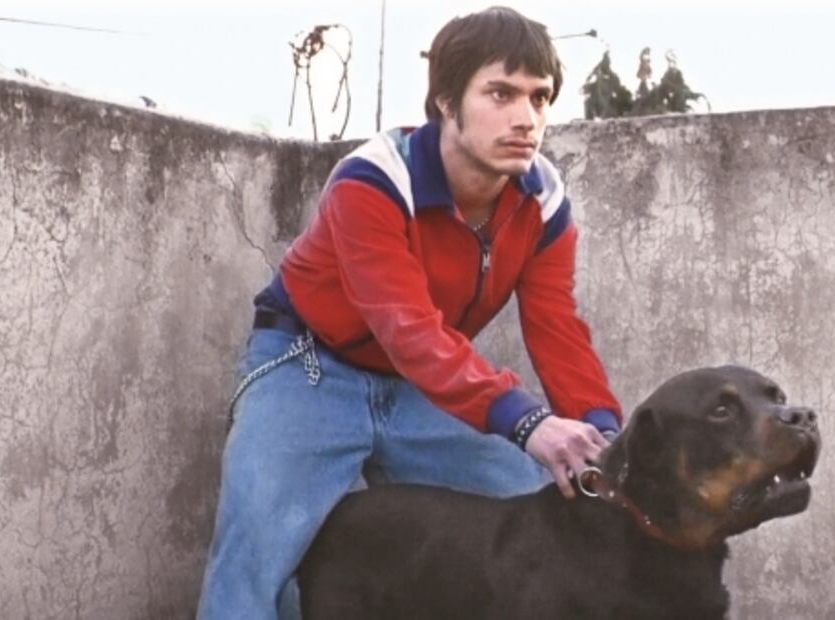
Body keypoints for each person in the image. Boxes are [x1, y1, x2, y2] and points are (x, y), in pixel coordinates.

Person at [197, 6, 622, 619]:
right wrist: (529, 422)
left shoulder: (543, 202)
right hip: (309, 363)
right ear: (446, 100)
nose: (526, 118)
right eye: (500, 93)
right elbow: (407, 329)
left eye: (539, 97)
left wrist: (606, 435)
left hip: (424, 387)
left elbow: (558, 329)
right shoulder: (373, 180)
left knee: (535, 506)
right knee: (257, 554)